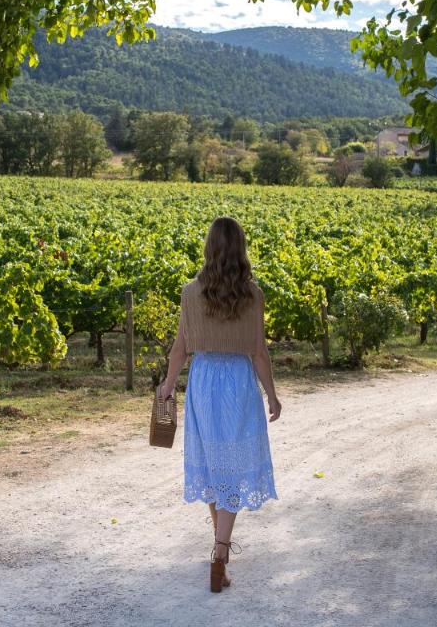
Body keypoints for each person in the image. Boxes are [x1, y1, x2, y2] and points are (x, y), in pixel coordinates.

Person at [157, 216, 281, 593]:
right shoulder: (253, 295)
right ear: (240, 250)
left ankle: (219, 548)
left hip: (204, 378)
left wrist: (167, 384)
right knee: (233, 466)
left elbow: (180, 348)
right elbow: (258, 352)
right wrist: (272, 395)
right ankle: (220, 553)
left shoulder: (190, 292)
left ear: (209, 249)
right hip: (238, 381)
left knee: (214, 465)